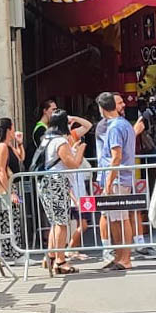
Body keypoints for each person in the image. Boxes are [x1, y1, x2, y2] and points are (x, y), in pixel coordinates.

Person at [36, 110, 90, 276]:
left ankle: (51, 256)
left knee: (55, 222)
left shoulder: (46, 139)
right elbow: (72, 164)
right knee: (61, 223)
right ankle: (60, 260)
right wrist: (80, 149)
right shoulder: (60, 141)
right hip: (57, 182)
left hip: (45, 182)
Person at [93, 92, 137, 272]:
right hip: (119, 177)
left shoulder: (114, 128)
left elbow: (116, 156)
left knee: (120, 219)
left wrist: (109, 183)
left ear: (102, 108)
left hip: (117, 179)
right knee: (116, 219)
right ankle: (120, 255)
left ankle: (124, 257)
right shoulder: (123, 124)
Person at [0, 117, 27, 264]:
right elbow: (0, 169)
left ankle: (15, 251)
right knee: (8, 220)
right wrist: (9, 192)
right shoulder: (2, 147)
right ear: (8, 129)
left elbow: (21, 157)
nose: (14, 131)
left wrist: (19, 142)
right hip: (5, 188)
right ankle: (10, 253)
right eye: (12, 128)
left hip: (10, 186)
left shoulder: (8, 146)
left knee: (14, 220)